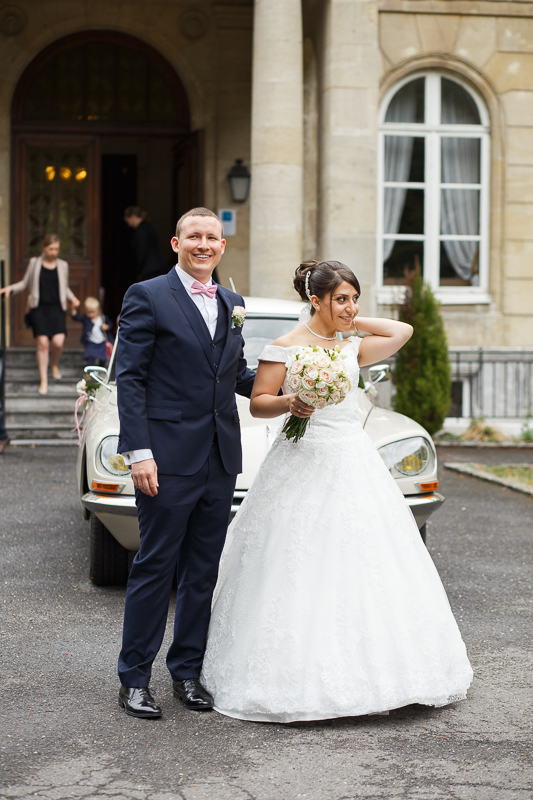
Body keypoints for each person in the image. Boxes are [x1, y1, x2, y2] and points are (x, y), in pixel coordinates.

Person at [201, 259, 473, 722]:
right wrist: (293, 401)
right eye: (341, 299)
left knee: (368, 560)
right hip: (301, 461)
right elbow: (261, 401)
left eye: (354, 298)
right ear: (315, 301)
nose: (350, 307)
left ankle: (386, 674)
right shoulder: (283, 347)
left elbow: (402, 331)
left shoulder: (352, 348)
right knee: (296, 561)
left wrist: (348, 321)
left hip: (353, 461)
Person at [115, 207, 256, 719]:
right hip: (166, 459)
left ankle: (187, 674)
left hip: (220, 458)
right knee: (155, 567)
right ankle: (134, 679)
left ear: (222, 246)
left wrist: (294, 386)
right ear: (175, 243)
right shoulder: (147, 295)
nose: (203, 244)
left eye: (211, 237)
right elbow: (129, 379)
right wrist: (140, 452)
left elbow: (235, 372)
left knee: (202, 572)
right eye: (193, 236)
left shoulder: (233, 302)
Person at [0, 234, 80, 395]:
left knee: (58, 343)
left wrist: (73, 298)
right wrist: (10, 289)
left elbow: (64, 287)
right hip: (39, 309)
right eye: (51, 249)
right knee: (43, 344)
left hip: (57, 308)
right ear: (44, 248)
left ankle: (54, 364)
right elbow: (24, 283)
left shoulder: (63, 265)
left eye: (57, 249)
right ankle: (44, 380)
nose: (54, 252)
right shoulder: (34, 263)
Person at [123, 207, 169, 281]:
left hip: (150, 268)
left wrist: (138, 269)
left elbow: (141, 250)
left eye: (128, 222)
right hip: (158, 265)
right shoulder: (148, 226)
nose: (129, 225)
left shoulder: (141, 231)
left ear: (132, 217)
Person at [71, 297, 114, 367]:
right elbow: (76, 317)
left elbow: (110, 324)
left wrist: (107, 327)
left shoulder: (103, 318)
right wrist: (73, 308)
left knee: (103, 359)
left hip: (102, 342)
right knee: (90, 358)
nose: (91, 315)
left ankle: (101, 373)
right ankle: (89, 374)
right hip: (91, 343)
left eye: (93, 312)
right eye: (88, 312)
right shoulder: (86, 319)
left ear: (98, 310)